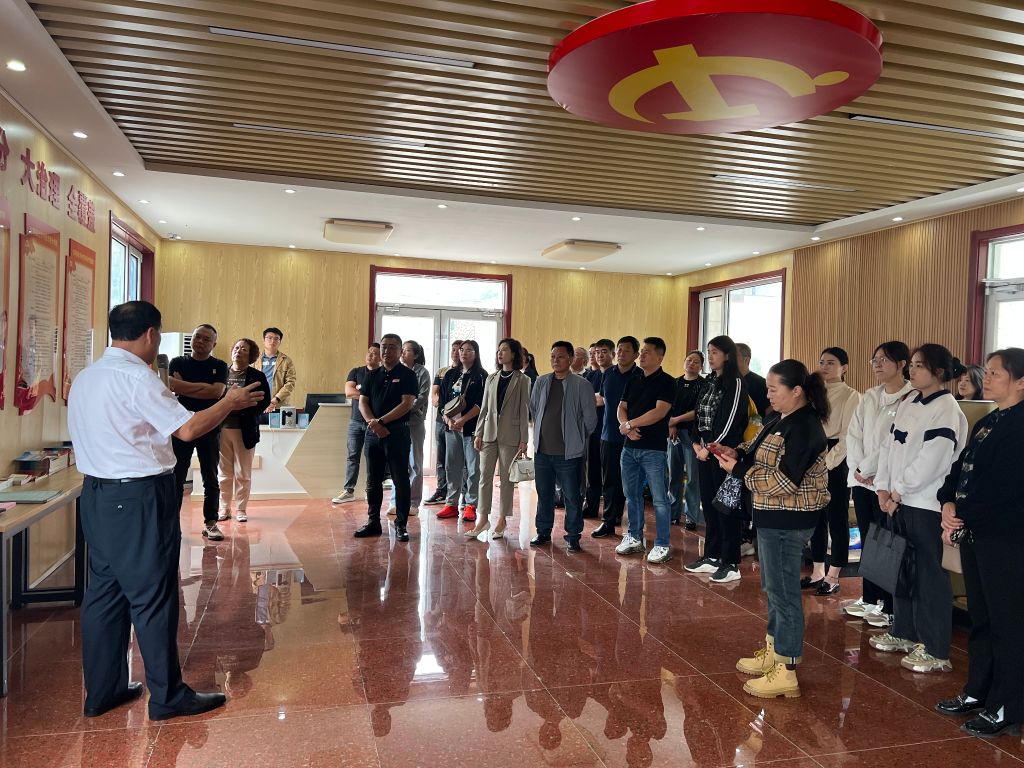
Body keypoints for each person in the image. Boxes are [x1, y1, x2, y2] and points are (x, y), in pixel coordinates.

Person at [68, 300, 263, 721]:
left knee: (104, 595)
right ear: (151, 334)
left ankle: (102, 691)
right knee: (153, 595)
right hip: (137, 498)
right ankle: (168, 696)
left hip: (97, 496)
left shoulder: (86, 376)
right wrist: (229, 401)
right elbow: (188, 429)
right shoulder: (137, 378)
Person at [715, 359, 831, 699]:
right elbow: (758, 453)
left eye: (773, 389)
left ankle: (786, 670)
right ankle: (773, 651)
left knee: (784, 594)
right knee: (773, 588)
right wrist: (735, 453)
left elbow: (786, 481)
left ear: (796, 391)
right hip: (770, 516)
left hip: (788, 519)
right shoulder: (780, 418)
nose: (768, 395)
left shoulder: (805, 425)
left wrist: (739, 471)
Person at [937, 348, 1024, 737]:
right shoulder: (989, 420)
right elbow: (960, 469)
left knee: (1008, 623)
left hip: (1007, 539)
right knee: (982, 617)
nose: (985, 378)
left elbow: (1005, 487)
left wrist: (962, 514)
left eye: (995, 373)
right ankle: (978, 690)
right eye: (985, 372)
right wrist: (947, 502)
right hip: (977, 534)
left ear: (1021, 382)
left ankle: (1006, 704)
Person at [871, 344, 967, 673]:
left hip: (924, 504)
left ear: (938, 372)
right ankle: (904, 631)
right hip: (897, 500)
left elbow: (933, 460)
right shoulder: (910, 401)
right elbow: (889, 446)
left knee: (929, 575)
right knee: (902, 568)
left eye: (919, 366)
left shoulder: (947, 408)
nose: (911, 371)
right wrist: (882, 487)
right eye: (911, 365)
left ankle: (936, 648)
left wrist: (898, 491)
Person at [843, 341, 913, 627]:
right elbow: (853, 434)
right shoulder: (870, 396)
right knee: (869, 539)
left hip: (887, 482)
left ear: (902, 364)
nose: (877, 365)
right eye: (874, 360)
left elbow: (891, 441)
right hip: (862, 481)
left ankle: (890, 605)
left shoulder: (911, 397)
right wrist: (858, 468)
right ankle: (870, 597)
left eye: (884, 360)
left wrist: (869, 468)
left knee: (889, 542)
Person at [685, 335, 749, 583]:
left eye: (715, 352)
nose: (710, 356)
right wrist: (696, 442)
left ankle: (730, 562)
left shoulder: (736, 382)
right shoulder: (710, 380)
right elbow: (699, 414)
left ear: (727, 355)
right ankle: (712, 555)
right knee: (709, 505)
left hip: (724, 453)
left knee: (725, 507)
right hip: (704, 451)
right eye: (709, 352)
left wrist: (710, 447)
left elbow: (731, 420)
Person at [529, 341, 598, 552]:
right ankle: (543, 532)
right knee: (544, 494)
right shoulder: (541, 381)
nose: (555, 361)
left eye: (560, 357)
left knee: (572, 496)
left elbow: (590, 420)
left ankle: (573, 535)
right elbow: (534, 408)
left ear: (570, 359)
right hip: (542, 452)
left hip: (569, 454)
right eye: (552, 357)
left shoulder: (581, 385)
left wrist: (576, 437)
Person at [614, 337, 677, 564]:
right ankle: (634, 536)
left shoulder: (667, 382)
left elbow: (660, 412)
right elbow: (621, 407)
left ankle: (662, 544)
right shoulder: (633, 380)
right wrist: (626, 427)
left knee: (659, 499)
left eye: (647, 352)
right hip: (630, 448)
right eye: (641, 351)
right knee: (631, 496)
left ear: (660, 357)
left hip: (654, 450)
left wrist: (631, 424)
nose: (641, 355)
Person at [805, 347, 861, 596]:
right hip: (812, 454)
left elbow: (849, 435)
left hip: (836, 458)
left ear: (844, 367)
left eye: (831, 362)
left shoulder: (852, 395)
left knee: (836, 517)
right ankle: (817, 570)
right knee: (815, 516)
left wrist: (827, 462)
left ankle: (834, 574)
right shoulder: (813, 392)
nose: (824, 367)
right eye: (822, 362)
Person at [354, 333, 420, 542]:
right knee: (373, 480)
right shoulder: (372, 374)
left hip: (397, 433)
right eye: (384, 346)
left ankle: (401, 525)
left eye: (392, 347)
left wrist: (381, 422)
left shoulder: (408, 375)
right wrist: (373, 423)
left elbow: (406, 404)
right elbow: (363, 402)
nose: (386, 351)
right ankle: (373, 522)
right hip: (373, 434)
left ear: (400, 351)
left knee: (400, 480)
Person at [170, 324, 229, 541]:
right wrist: (205, 388)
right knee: (176, 477)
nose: (200, 341)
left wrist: (182, 385)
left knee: (210, 477)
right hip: (181, 427)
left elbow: (217, 392)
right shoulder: (177, 362)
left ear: (214, 344)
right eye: (197, 337)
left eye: (206, 339)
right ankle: (172, 525)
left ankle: (211, 523)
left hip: (209, 427)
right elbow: (170, 386)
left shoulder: (220, 366)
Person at [469, 338, 531, 539]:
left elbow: (524, 411)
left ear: (513, 354)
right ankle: (483, 519)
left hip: (511, 435)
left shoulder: (523, 380)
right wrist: (478, 433)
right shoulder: (491, 378)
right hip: (489, 433)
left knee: (506, 479)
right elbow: (484, 408)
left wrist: (524, 440)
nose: (500, 353)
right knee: (484, 478)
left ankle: (502, 520)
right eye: (498, 350)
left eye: (504, 350)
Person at [217, 338, 272, 523]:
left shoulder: (257, 376)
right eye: (237, 347)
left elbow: (264, 400)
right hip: (221, 429)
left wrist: (244, 408)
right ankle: (224, 508)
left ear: (251, 356)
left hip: (245, 430)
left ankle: (241, 509)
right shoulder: (221, 372)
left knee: (243, 473)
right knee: (224, 473)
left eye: (244, 349)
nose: (238, 351)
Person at [592, 337, 642, 539]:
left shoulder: (640, 376)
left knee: (629, 484)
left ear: (636, 355)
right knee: (609, 481)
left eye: (626, 350)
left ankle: (632, 525)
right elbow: (603, 399)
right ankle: (609, 521)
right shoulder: (609, 373)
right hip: (608, 435)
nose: (621, 353)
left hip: (632, 437)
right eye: (619, 350)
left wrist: (630, 427)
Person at [437, 340, 487, 523]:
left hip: (471, 429)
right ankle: (451, 503)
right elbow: (442, 402)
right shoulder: (450, 374)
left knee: (473, 468)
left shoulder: (481, 375)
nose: (463, 353)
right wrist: (448, 420)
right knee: (452, 466)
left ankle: (470, 505)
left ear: (476, 353)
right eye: (461, 350)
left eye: (469, 350)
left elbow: (481, 404)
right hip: (451, 428)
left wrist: (463, 420)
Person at [332, 343, 381, 504]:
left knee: (372, 457)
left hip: (373, 422)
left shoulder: (383, 374)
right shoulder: (356, 372)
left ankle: (370, 490)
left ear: (380, 357)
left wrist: (361, 393)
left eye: (375, 353)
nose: (370, 355)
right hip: (355, 421)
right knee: (352, 456)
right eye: (369, 352)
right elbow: (349, 392)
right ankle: (348, 491)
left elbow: (381, 396)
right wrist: (368, 395)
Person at [387, 340, 431, 514]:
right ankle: (395, 501)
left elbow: (422, 397)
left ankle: (413, 503)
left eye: (406, 351)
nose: (403, 353)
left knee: (415, 464)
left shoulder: (422, 372)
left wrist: (404, 409)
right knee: (398, 463)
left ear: (416, 354)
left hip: (414, 422)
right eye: (402, 350)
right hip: (397, 422)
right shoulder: (396, 370)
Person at [668, 350, 707, 531]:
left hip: (693, 436)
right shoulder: (674, 383)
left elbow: (698, 411)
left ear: (701, 366)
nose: (691, 363)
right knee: (673, 474)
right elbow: (668, 407)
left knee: (692, 477)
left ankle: (691, 516)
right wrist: (672, 425)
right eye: (689, 360)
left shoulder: (703, 385)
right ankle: (673, 512)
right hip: (673, 434)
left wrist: (676, 420)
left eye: (696, 362)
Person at [425, 340, 463, 505]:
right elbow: (435, 394)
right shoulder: (442, 372)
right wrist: (441, 406)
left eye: (459, 350)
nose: (455, 353)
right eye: (453, 349)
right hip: (442, 420)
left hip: (460, 422)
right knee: (441, 458)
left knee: (458, 460)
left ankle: (463, 495)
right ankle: (442, 490)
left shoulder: (467, 372)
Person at [582, 339, 614, 519]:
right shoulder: (591, 375)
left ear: (612, 354)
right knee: (592, 471)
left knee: (610, 475)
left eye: (603, 352)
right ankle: (591, 506)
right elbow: (586, 399)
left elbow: (603, 400)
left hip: (610, 430)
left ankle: (611, 513)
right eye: (596, 352)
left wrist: (594, 399)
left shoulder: (614, 374)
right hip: (593, 429)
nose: (599, 355)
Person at [258, 327, 296, 412]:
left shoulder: (286, 361)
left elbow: (290, 383)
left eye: (276, 338)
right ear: (264, 340)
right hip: (258, 404)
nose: (272, 341)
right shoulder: (255, 360)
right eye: (269, 338)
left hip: (279, 405)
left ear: (280, 342)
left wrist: (276, 399)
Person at [736, 343, 769, 418]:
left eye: (734, 356)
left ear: (746, 360)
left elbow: (769, 412)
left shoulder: (761, 383)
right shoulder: (727, 382)